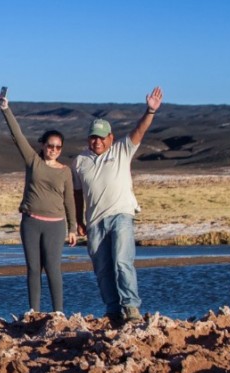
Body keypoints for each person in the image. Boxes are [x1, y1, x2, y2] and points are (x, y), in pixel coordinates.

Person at [72, 86, 164, 325]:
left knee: (122, 261)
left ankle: (131, 308)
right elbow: (77, 192)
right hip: (94, 222)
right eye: (93, 137)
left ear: (110, 137)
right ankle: (113, 311)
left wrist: (150, 111)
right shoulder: (80, 162)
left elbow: (139, 131)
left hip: (120, 215)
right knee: (102, 268)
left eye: (102, 137)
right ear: (88, 139)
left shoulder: (122, 149)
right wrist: (78, 220)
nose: (98, 141)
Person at [0, 93, 77, 314]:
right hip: (31, 222)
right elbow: (17, 135)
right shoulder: (33, 161)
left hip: (55, 224)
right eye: (50, 145)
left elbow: (69, 200)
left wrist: (73, 228)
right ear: (43, 145)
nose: (53, 150)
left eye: (58, 147)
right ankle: (34, 312)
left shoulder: (65, 172)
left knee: (53, 268)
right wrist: (6, 109)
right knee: (33, 268)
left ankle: (58, 312)